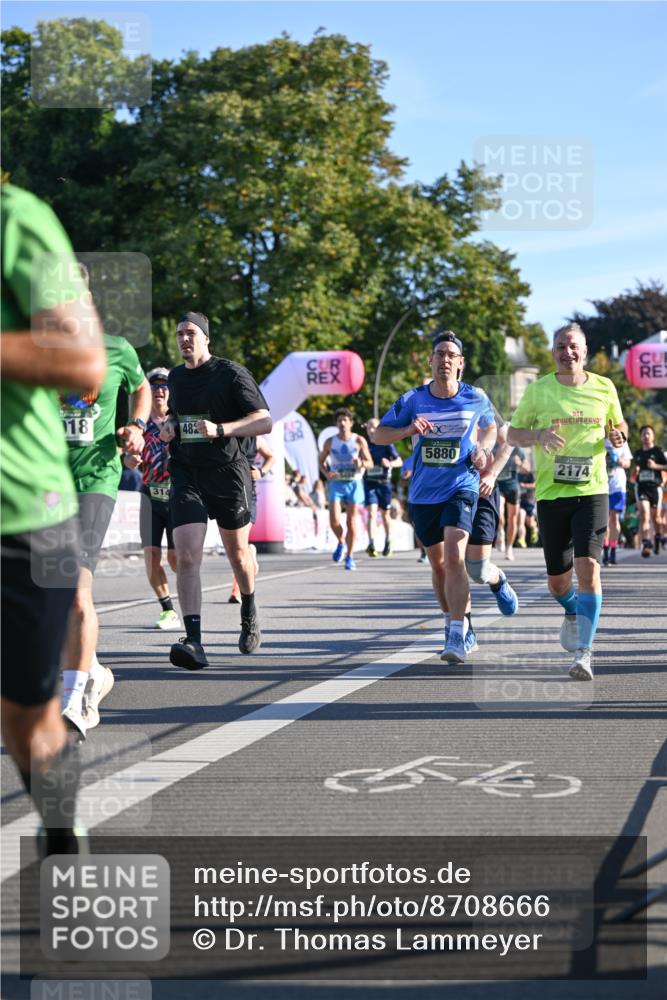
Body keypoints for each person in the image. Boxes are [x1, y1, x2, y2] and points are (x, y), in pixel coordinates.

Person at [1, 183, 106, 852]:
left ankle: (63, 835)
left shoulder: (17, 219)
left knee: (27, 722)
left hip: (21, 517)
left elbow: (82, 360)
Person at [59, 266, 151, 740]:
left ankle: (75, 698)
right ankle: (92, 668)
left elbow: (141, 387)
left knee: (76, 586)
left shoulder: (116, 349)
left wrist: (136, 426)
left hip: (96, 475)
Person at [508, 322, 627, 681]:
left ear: (584, 351)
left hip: (592, 490)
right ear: (553, 352)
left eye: (573, 346)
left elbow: (619, 427)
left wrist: (619, 436)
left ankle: (584, 652)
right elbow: (512, 434)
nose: (567, 352)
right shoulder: (539, 390)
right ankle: (571, 608)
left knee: (588, 565)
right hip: (551, 494)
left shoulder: (604, 387)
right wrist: (539, 435)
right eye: (561, 346)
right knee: (558, 583)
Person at [374, 330, 496, 663]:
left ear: (461, 363)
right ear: (430, 360)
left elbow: (490, 427)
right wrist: (408, 430)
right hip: (424, 493)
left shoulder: (476, 397)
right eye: (439, 353)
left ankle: (457, 634)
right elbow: (379, 434)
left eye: (451, 355)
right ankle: (452, 622)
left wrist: (483, 450)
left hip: (462, 486)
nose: (445, 359)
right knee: (439, 566)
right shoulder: (413, 400)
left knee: (455, 556)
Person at [160, 312, 271, 669]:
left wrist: (221, 429)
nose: (184, 339)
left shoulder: (231, 374)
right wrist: (170, 425)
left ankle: (249, 609)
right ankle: (193, 641)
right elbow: (176, 412)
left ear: (206, 338)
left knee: (238, 554)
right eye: (180, 333)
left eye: (191, 333)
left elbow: (264, 420)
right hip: (187, 472)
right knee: (186, 555)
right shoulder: (176, 377)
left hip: (228, 474)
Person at [123, 367, 181, 628]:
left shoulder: (179, 419)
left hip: (177, 496)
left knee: (176, 560)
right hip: (150, 497)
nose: (159, 390)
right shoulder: (140, 425)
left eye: (164, 385)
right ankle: (168, 610)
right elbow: (127, 458)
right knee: (151, 556)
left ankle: (188, 590)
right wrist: (130, 460)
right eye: (154, 385)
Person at [464, 422, 520, 652]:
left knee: (477, 571)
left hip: (482, 491)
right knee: (451, 564)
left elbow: (510, 439)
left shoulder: (482, 406)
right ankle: (463, 631)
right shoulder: (428, 407)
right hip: (447, 490)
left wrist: (492, 473)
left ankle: (497, 579)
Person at [319, 408, 373, 571]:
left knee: (351, 521)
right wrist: (327, 473)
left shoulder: (359, 440)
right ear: (336, 424)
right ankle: (341, 542)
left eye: (345, 420)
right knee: (334, 521)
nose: (342, 423)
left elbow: (370, 463)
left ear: (351, 423)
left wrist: (361, 463)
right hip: (337, 483)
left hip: (354, 483)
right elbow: (321, 461)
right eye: (339, 421)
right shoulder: (330, 442)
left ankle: (349, 557)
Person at [228, 434, 275, 604]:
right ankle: (251, 554)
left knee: (239, 546)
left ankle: (237, 590)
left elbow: (271, 457)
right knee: (234, 546)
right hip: (225, 494)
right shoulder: (224, 433)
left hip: (246, 495)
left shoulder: (256, 439)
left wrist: (261, 472)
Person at [363, 418, 403, 557]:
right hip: (369, 482)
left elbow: (399, 461)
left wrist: (390, 464)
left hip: (384, 484)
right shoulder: (364, 445)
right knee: (372, 513)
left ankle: (388, 540)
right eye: (369, 427)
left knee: (385, 514)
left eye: (374, 427)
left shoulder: (386, 444)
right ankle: (371, 543)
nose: (371, 430)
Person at [633, 424, 667, 558]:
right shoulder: (638, 454)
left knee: (656, 518)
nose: (646, 436)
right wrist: (635, 472)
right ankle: (646, 543)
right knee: (644, 514)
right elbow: (634, 471)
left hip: (655, 488)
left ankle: (657, 537)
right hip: (642, 487)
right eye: (644, 434)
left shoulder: (658, 451)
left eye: (649, 433)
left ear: (653, 436)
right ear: (641, 437)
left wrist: (655, 466)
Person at [602, 433, 632, 566]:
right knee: (604, 520)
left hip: (618, 485)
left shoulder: (621, 440)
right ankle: (605, 551)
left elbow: (628, 463)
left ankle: (613, 550)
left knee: (614, 519)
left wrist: (619, 460)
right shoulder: (599, 439)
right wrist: (605, 460)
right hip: (602, 485)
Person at [496, 445, 526, 559]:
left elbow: (527, 468)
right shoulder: (493, 445)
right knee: (499, 510)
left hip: (512, 486)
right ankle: (500, 530)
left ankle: (509, 548)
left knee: (512, 518)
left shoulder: (517, 448)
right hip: (497, 485)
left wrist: (520, 464)